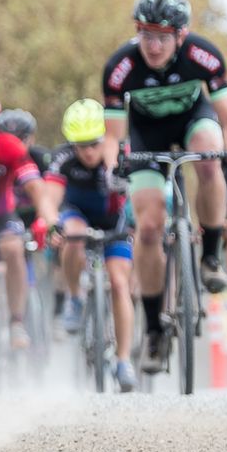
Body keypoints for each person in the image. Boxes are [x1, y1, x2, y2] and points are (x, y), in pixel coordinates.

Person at [101, 0, 227, 372]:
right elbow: (113, 138)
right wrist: (114, 164)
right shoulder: (121, 67)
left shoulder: (204, 55)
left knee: (210, 158)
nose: (153, 45)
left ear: (181, 35)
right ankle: (153, 329)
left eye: (163, 36)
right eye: (145, 34)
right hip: (147, 135)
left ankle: (210, 257)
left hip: (192, 119)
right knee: (148, 228)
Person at [46, 99, 138, 391]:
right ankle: (74, 297)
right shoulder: (62, 158)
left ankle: (123, 361)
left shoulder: (123, 154)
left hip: (115, 223)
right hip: (78, 215)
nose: (86, 151)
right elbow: (49, 197)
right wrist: (51, 223)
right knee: (73, 234)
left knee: (120, 284)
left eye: (94, 144)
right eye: (79, 144)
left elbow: (143, 194)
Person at [0, 94, 57, 350]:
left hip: (0, 218)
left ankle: (17, 321)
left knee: (14, 248)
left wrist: (49, 221)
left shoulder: (8, 146)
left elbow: (37, 188)